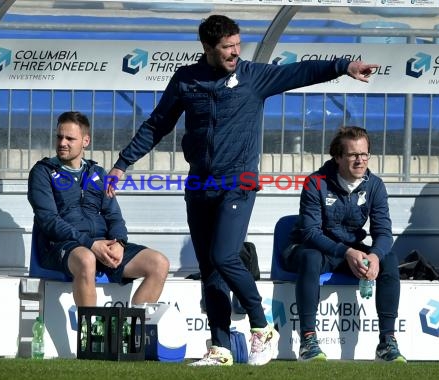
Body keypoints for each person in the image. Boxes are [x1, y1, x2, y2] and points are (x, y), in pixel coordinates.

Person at [106, 15, 378, 366]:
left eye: (238, 45)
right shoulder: (187, 80)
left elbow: (301, 72)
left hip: (239, 183)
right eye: (227, 47)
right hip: (200, 185)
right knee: (210, 269)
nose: (235, 52)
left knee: (224, 256)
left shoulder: (253, 76)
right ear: (207, 48)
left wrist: (344, 66)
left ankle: (261, 325)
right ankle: (219, 347)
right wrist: (122, 163)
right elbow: (157, 124)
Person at [280, 126, 406, 363]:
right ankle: (308, 341)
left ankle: (387, 343)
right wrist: (347, 251)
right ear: (337, 157)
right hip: (308, 249)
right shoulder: (316, 183)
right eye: (353, 155)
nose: (360, 160)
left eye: (364, 154)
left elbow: (384, 233)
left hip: (347, 253)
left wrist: (376, 256)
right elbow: (309, 233)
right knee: (312, 256)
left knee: (389, 259)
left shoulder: (375, 185)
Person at [27, 111, 170, 308]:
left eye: (70, 138)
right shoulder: (42, 171)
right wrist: (90, 244)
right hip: (62, 246)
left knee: (159, 263)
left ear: (85, 141)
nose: (62, 143)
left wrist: (119, 242)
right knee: (86, 259)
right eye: (59, 136)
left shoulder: (98, 173)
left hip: (101, 246)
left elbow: (114, 215)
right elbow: (48, 220)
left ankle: (130, 333)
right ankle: (90, 336)